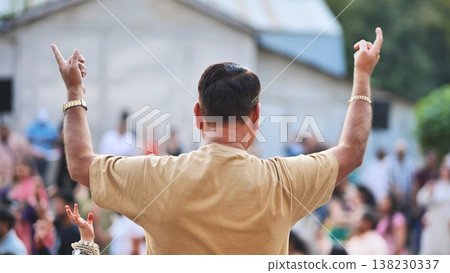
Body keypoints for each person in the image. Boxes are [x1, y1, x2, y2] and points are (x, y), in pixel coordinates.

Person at [50, 27, 383, 254]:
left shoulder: (157, 178)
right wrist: (362, 76)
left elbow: (80, 165)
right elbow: (352, 152)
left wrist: (74, 91)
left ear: (197, 114)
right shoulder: (283, 182)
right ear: (256, 118)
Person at [417, 157, 450, 254]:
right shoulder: (434, 185)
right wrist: (429, 192)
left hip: (446, 228)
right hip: (433, 226)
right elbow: (421, 199)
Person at [26, 108, 58, 182]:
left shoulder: (51, 128)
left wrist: (51, 153)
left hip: (46, 156)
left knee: (45, 175)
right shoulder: (32, 127)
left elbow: (54, 142)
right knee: (34, 173)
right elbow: (28, 142)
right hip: (35, 156)